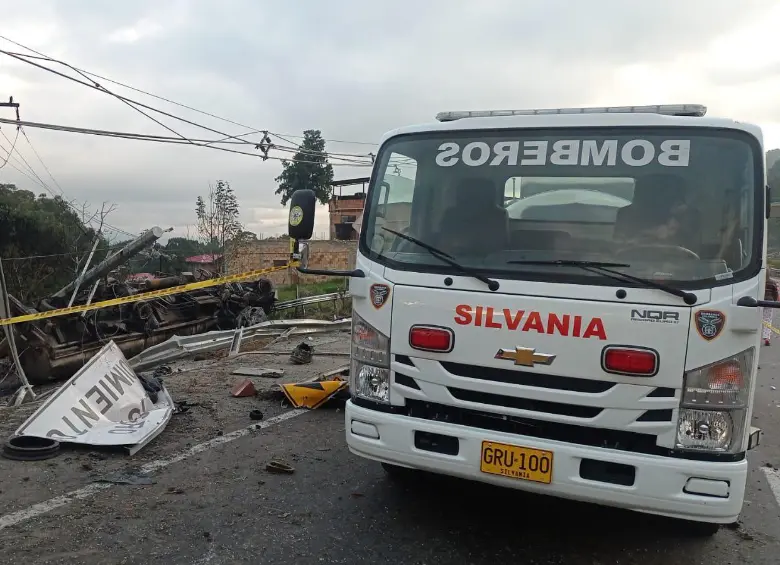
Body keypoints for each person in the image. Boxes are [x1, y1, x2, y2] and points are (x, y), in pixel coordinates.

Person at [762, 278, 779, 345]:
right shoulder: (772, 282)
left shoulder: (760, 280)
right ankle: (766, 338)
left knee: (756, 319)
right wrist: (774, 301)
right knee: (767, 320)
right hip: (769, 302)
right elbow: (775, 293)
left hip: (758, 301)